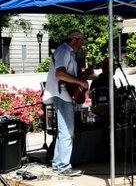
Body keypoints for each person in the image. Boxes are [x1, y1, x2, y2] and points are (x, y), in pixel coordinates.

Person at [42, 30, 88, 176]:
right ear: (74, 40)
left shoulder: (67, 52)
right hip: (61, 95)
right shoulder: (63, 51)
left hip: (63, 94)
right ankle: (63, 166)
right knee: (67, 132)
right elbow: (60, 73)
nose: (82, 44)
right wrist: (80, 81)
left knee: (63, 132)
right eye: (81, 41)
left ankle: (57, 163)